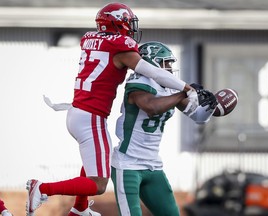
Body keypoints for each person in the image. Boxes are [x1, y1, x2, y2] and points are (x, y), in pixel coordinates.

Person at [26, 2, 199, 216]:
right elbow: (153, 71)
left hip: (78, 112)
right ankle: (42, 189)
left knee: (96, 162)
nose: (131, 28)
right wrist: (185, 87)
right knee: (99, 183)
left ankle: (79, 208)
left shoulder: (91, 39)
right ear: (118, 24)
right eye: (127, 23)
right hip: (91, 117)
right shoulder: (121, 47)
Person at [111, 41, 218, 216]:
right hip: (127, 164)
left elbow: (198, 117)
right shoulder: (138, 81)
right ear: (151, 62)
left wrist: (212, 106)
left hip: (153, 165)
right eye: (165, 62)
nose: (169, 68)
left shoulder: (168, 88)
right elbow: (151, 107)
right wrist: (183, 92)